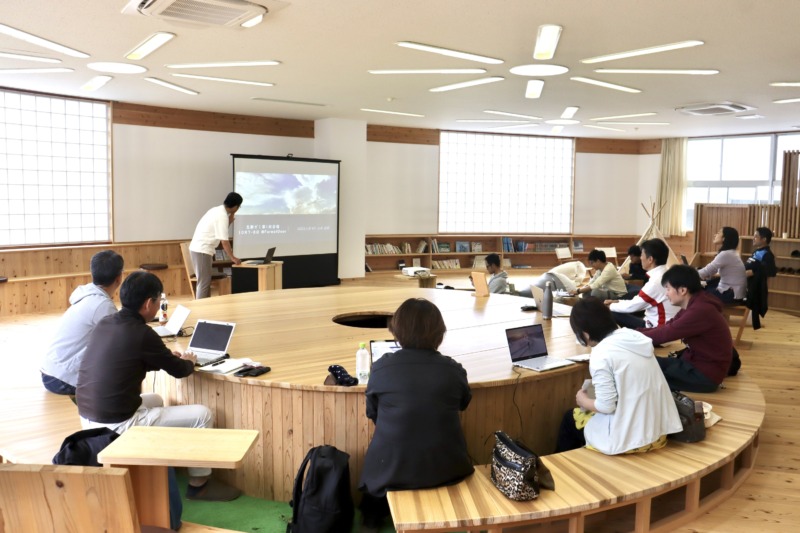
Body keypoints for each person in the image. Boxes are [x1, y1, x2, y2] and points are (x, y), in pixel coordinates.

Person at [76, 271, 240, 501]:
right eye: (158, 301)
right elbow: (181, 371)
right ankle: (199, 485)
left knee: (156, 400)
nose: (159, 305)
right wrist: (188, 361)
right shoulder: (143, 333)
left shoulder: (106, 322)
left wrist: (164, 356)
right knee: (202, 415)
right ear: (148, 304)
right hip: (117, 421)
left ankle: (163, 463)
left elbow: (129, 360)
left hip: (88, 416)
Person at [358, 298, 473, 532]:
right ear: (439, 333)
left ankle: (372, 518)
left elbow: (373, 413)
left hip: (390, 470)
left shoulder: (381, 367)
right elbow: (463, 403)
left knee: (378, 461)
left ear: (397, 331)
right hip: (447, 467)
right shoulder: (453, 370)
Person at [555, 298, 681, 455]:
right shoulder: (634, 339)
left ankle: (564, 472)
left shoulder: (601, 354)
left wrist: (584, 401)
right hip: (658, 432)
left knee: (570, 418)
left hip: (630, 441)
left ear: (585, 334)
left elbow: (607, 406)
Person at [40, 250, 124, 396]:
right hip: (62, 379)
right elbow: (122, 341)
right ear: (119, 278)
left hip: (51, 371)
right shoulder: (102, 305)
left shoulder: (87, 295)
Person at [638, 265, 733, 393]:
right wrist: (631, 332)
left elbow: (664, 334)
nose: (666, 294)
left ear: (682, 290)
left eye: (668, 289)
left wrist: (627, 335)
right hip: (695, 366)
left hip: (703, 376)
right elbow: (666, 327)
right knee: (645, 363)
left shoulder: (700, 310)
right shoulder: (696, 303)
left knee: (643, 370)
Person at [607, 238, 680, 329]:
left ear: (650, 259)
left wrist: (610, 306)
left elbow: (632, 307)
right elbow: (637, 303)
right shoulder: (666, 274)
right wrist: (617, 302)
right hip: (666, 323)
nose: (640, 257)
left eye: (642, 254)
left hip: (658, 329)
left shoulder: (656, 282)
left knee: (611, 312)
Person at [189, 192, 243, 299]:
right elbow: (224, 242)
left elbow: (219, 232)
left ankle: (206, 307)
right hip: (202, 250)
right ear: (236, 207)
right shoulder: (222, 216)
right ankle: (201, 309)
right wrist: (232, 258)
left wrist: (230, 221)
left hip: (201, 249)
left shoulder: (217, 210)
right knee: (204, 283)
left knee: (204, 282)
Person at [697, 226, 747, 303]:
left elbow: (708, 271)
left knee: (697, 293)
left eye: (718, 233)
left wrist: (689, 273)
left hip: (731, 294)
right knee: (703, 286)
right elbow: (710, 270)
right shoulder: (730, 252)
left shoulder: (726, 254)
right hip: (734, 292)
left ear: (724, 238)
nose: (715, 235)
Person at [745, 227, 777, 329]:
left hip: (754, 288)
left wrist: (753, 272)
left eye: (756, 236)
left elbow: (771, 271)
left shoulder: (767, 255)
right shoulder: (756, 251)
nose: (753, 238)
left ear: (764, 239)